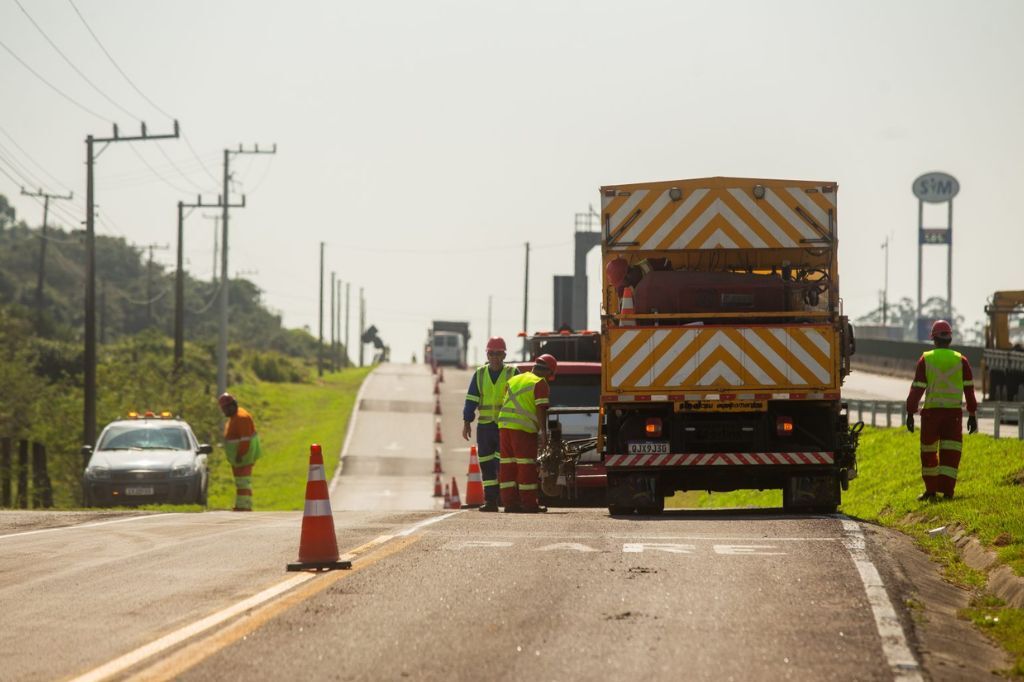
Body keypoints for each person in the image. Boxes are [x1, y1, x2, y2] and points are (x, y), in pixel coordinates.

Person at [905, 320, 978, 501]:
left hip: (931, 415)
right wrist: (972, 414)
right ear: (950, 339)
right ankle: (947, 492)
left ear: (934, 339)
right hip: (954, 415)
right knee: (951, 455)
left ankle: (930, 491)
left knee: (928, 452)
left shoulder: (926, 359)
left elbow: (917, 389)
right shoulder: (961, 360)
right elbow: (969, 389)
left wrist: (910, 412)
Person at [462, 336, 518, 512]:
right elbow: (471, 399)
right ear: (487, 355)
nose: (494, 357)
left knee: (503, 463)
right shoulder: (479, 374)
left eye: (498, 353)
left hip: (505, 427)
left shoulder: (512, 373)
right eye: (491, 353)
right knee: (486, 465)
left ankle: (508, 500)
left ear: (504, 355)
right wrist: (466, 422)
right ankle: (491, 501)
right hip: (485, 427)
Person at [496, 354, 556, 513]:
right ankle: (529, 504)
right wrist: (543, 432)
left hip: (504, 425)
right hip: (522, 430)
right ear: (548, 372)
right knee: (526, 466)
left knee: (508, 465)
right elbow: (540, 409)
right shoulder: (539, 383)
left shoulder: (514, 379)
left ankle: (509, 504)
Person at [218, 392, 263, 511]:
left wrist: (240, 454)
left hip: (243, 457)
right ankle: (241, 505)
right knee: (240, 482)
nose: (224, 412)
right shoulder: (236, 416)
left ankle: (244, 506)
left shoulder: (241, 418)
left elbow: (245, 439)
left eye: (225, 409)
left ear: (231, 406)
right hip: (239, 458)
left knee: (243, 482)